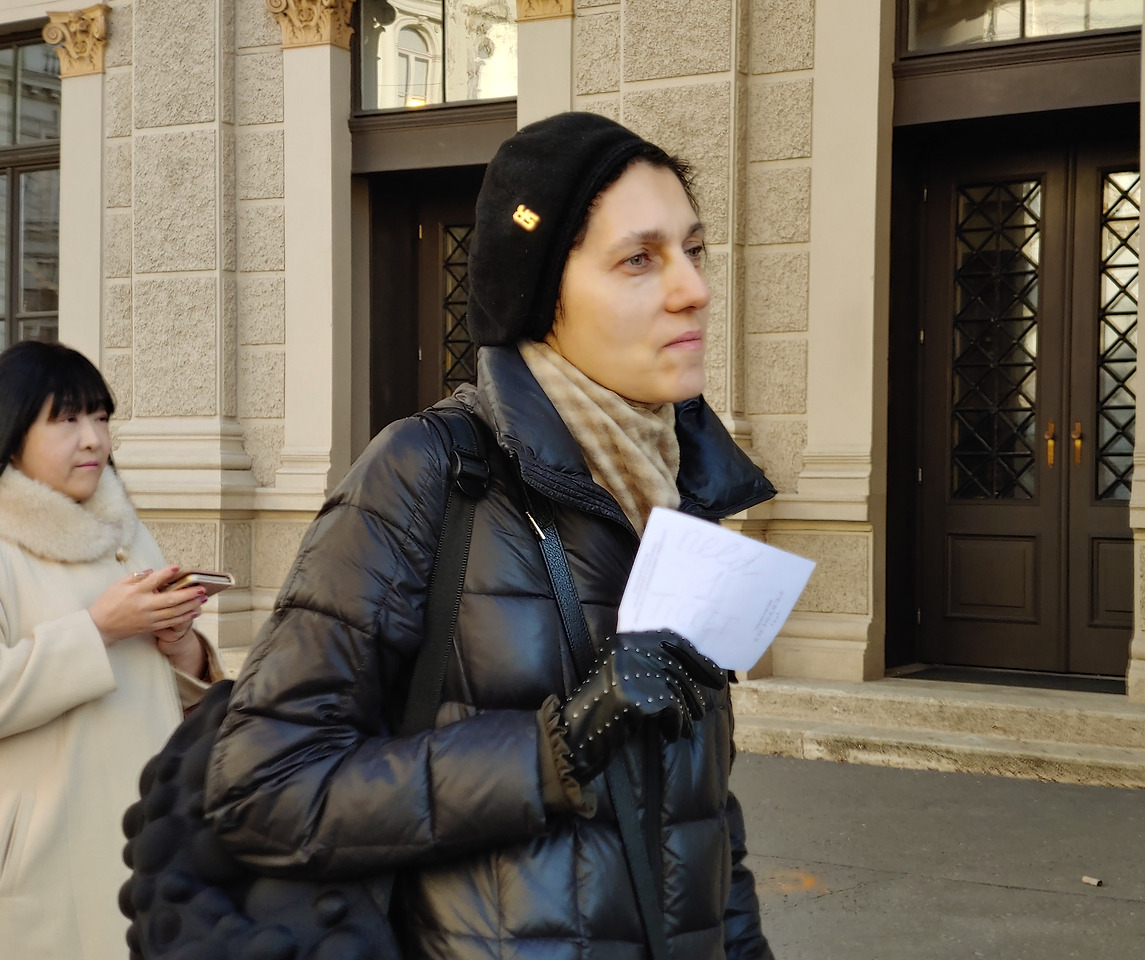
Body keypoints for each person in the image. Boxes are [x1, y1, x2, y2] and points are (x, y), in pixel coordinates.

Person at [205, 112, 777, 960]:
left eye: (694, 250)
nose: (693, 288)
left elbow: (701, 816)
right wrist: (554, 750)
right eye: (639, 259)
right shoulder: (429, 471)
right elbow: (260, 790)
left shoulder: (682, 489)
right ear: (542, 298)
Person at [0, 340, 223, 960]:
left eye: (100, 418)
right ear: (13, 433)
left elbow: (162, 684)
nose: (94, 439)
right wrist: (98, 629)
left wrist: (181, 647)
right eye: (68, 419)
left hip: (149, 838)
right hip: (46, 856)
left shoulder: (125, 532)